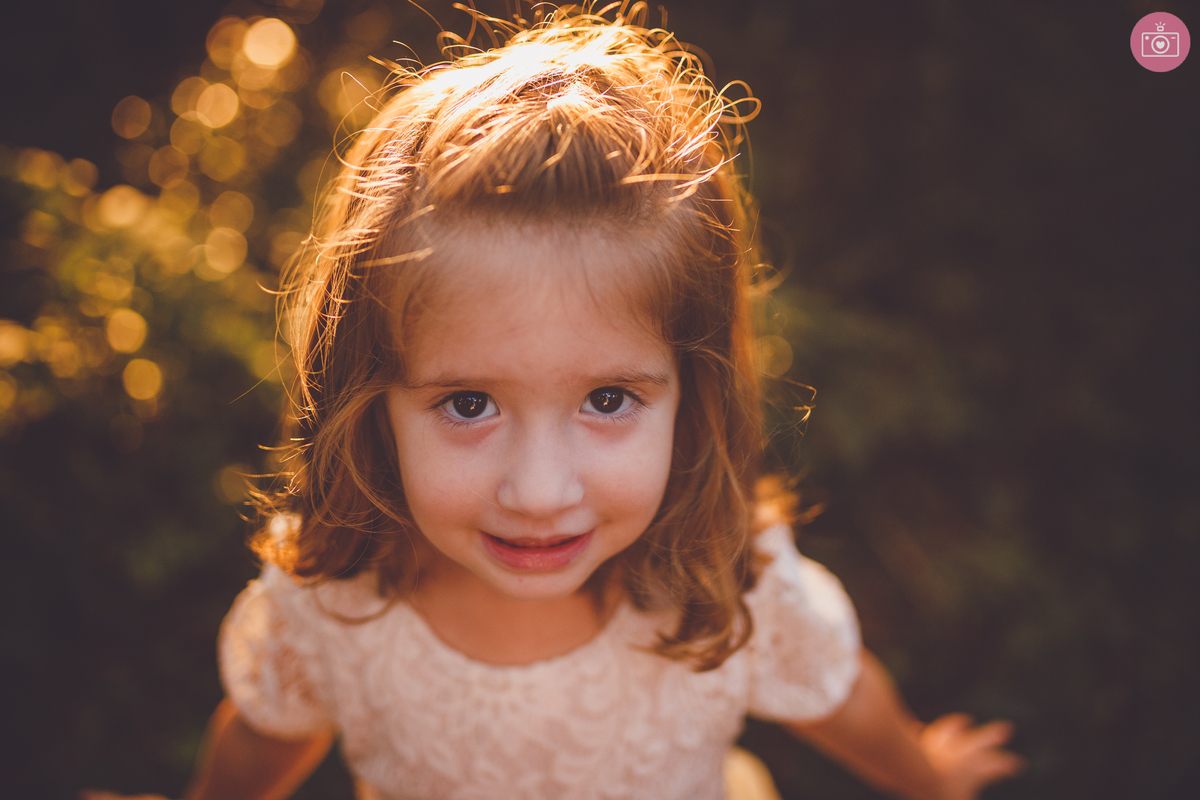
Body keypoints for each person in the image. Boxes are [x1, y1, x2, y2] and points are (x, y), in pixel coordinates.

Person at [86, 7, 1022, 800]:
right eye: (466, 405)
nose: (539, 492)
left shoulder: (726, 583)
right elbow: (264, 736)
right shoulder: (335, 602)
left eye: (607, 398)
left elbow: (844, 700)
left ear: (691, 397)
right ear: (368, 399)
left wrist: (928, 775)